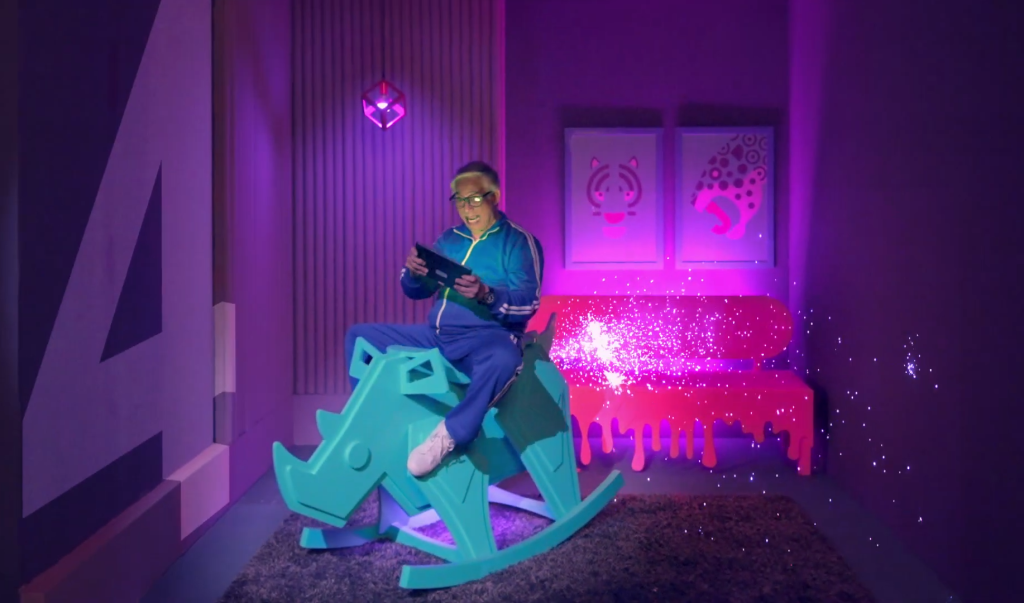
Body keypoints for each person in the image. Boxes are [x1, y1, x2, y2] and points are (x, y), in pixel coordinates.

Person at [344, 160, 544, 477]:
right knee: (360, 337)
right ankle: (368, 422)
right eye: (460, 200)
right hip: (435, 336)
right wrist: (413, 273)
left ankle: (451, 434)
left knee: (505, 358)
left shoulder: (518, 242)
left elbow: (528, 303)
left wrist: (486, 295)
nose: (467, 208)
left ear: (494, 197)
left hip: (485, 341)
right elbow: (415, 291)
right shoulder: (449, 239)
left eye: (474, 199)